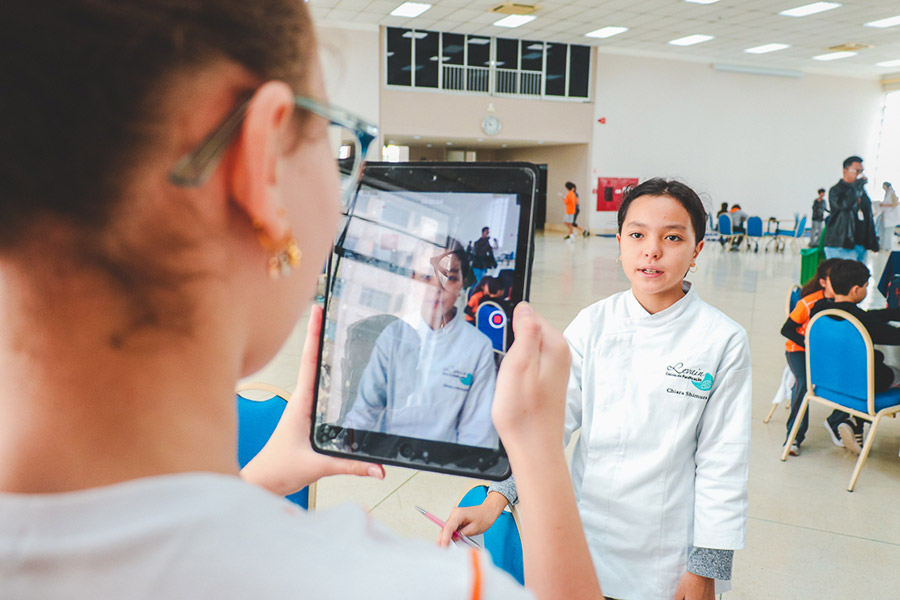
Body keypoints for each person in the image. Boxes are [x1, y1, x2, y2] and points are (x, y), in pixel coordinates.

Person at [0, 3, 606, 599]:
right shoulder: (411, 586)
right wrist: (538, 456)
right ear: (259, 162)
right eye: (332, 135)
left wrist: (255, 483)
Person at [442, 179, 752, 600]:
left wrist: (705, 567)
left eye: (672, 238)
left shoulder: (722, 339)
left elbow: (723, 461)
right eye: (637, 235)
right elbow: (548, 427)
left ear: (696, 250)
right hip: (583, 544)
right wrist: (496, 498)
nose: (652, 251)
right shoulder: (593, 324)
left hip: (667, 559)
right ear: (620, 243)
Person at [343, 244, 498, 447]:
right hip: (387, 455)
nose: (436, 288)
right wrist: (345, 449)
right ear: (412, 280)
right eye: (426, 277)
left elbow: (477, 433)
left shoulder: (478, 347)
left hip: (446, 461)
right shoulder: (393, 335)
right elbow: (365, 411)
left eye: (450, 278)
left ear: (462, 285)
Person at [809, 259, 900, 455]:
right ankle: (853, 421)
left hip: (827, 382)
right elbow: (894, 335)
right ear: (856, 290)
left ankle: (853, 425)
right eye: (866, 286)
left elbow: (865, 316)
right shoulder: (861, 321)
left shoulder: (819, 310)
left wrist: (890, 313)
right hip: (860, 385)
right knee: (893, 373)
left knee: (865, 371)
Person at [779, 258, 841, 456]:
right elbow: (786, 329)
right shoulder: (808, 303)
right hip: (798, 350)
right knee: (803, 383)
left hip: (826, 353)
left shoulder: (843, 301)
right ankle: (794, 437)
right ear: (823, 282)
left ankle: (836, 422)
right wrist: (809, 344)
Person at [824, 156, 878, 262]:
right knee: (843, 273)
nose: (859, 174)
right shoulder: (836, 190)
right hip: (841, 244)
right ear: (845, 171)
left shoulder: (861, 192)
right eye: (856, 171)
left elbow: (868, 215)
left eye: (861, 171)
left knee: (859, 273)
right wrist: (855, 187)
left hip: (860, 245)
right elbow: (844, 205)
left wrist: (872, 240)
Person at [880, 181, 899, 250]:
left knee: (888, 232)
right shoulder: (887, 193)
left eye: (883, 186)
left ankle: (887, 247)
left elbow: (895, 204)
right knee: (885, 232)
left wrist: (884, 205)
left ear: (886, 186)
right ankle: (884, 246)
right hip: (887, 215)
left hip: (891, 217)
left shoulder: (892, 193)